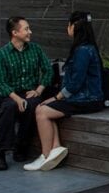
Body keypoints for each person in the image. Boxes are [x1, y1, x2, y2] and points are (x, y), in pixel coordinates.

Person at [28, 12, 104, 171]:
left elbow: (76, 83)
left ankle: (45, 155)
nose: (67, 28)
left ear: (74, 27)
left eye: (68, 25)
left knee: (41, 112)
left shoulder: (82, 50)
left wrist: (56, 97)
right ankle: (55, 148)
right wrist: (56, 99)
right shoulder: (86, 48)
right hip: (85, 97)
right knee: (45, 108)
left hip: (86, 99)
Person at [0, 16, 53, 171]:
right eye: (26, 29)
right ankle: (0, 153)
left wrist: (39, 89)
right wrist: (16, 98)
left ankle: (20, 147)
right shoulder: (1, 54)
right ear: (15, 32)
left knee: (33, 106)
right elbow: (0, 82)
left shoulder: (35, 49)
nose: (30, 32)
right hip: (9, 94)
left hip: (30, 92)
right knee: (9, 108)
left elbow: (48, 70)